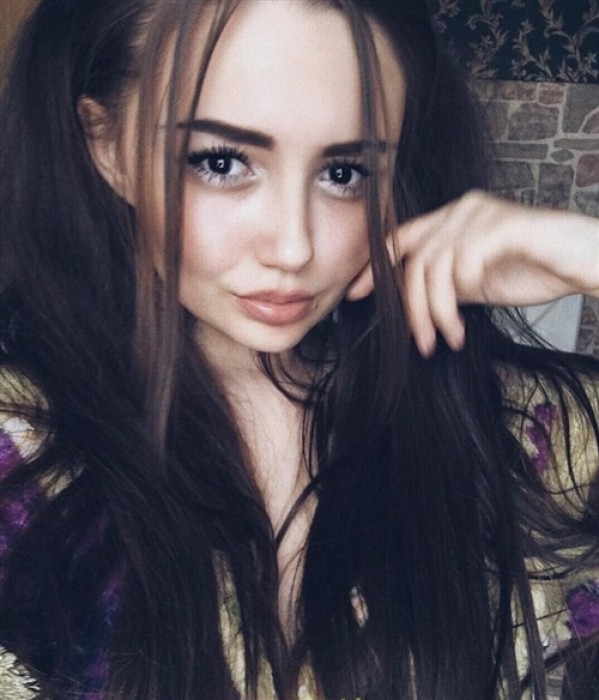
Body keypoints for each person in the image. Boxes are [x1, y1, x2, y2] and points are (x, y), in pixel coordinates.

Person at [1, 0, 599, 698]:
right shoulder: (23, 450)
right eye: (220, 162)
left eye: (344, 173)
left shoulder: (523, 431)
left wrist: (587, 252)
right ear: (107, 148)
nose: (294, 247)